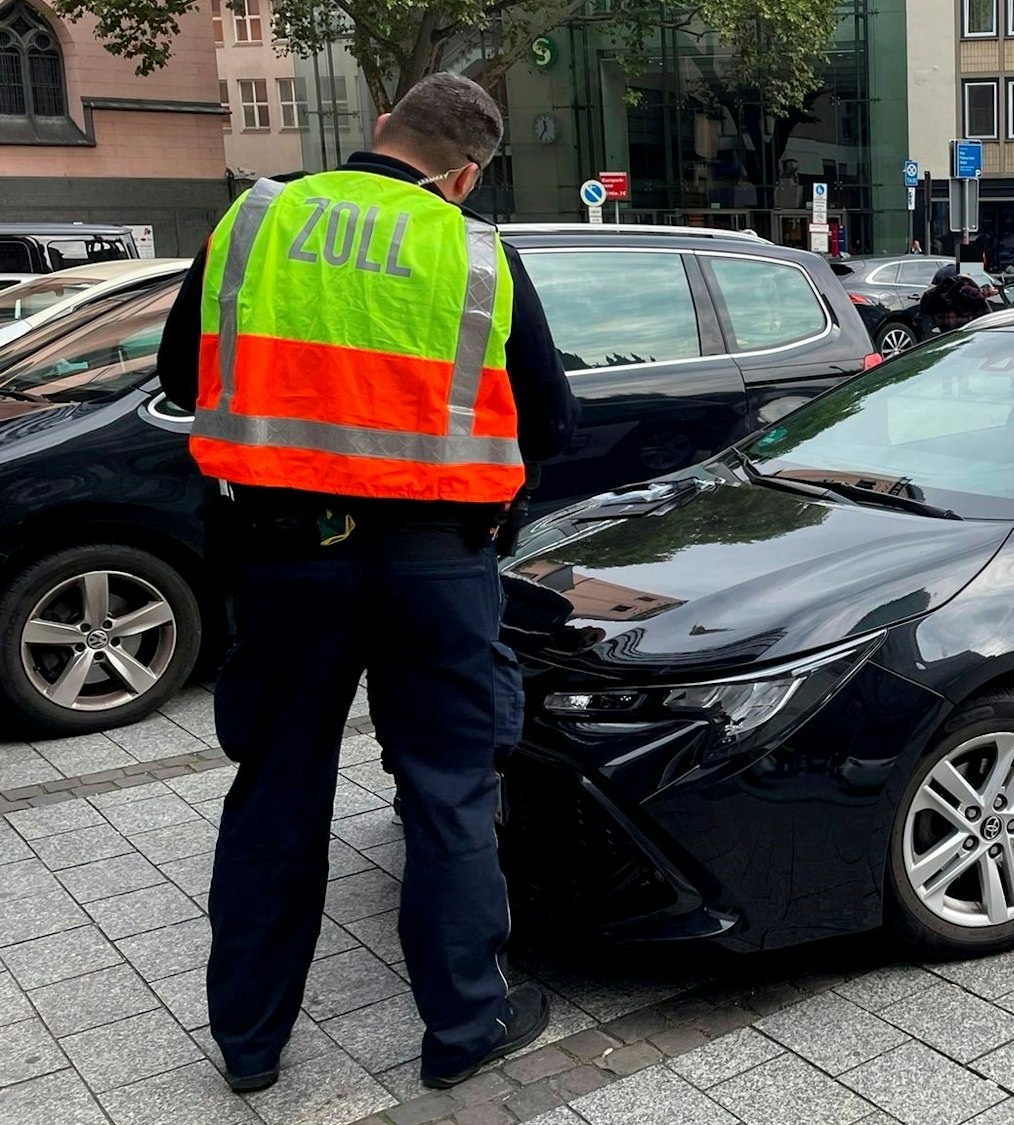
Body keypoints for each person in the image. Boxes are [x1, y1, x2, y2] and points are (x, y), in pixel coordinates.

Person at [155, 73, 578, 1095]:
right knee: (447, 791)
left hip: (285, 559)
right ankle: (464, 1030)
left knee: (276, 793)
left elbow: (180, 376)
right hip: (437, 568)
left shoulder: (255, 219)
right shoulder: (476, 250)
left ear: (380, 129)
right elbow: (549, 422)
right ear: (465, 173)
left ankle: (251, 1047)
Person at [918, 264, 991, 337]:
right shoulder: (964, 285)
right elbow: (975, 295)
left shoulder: (940, 279)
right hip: (963, 323)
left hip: (944, 323)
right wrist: (988, 291)